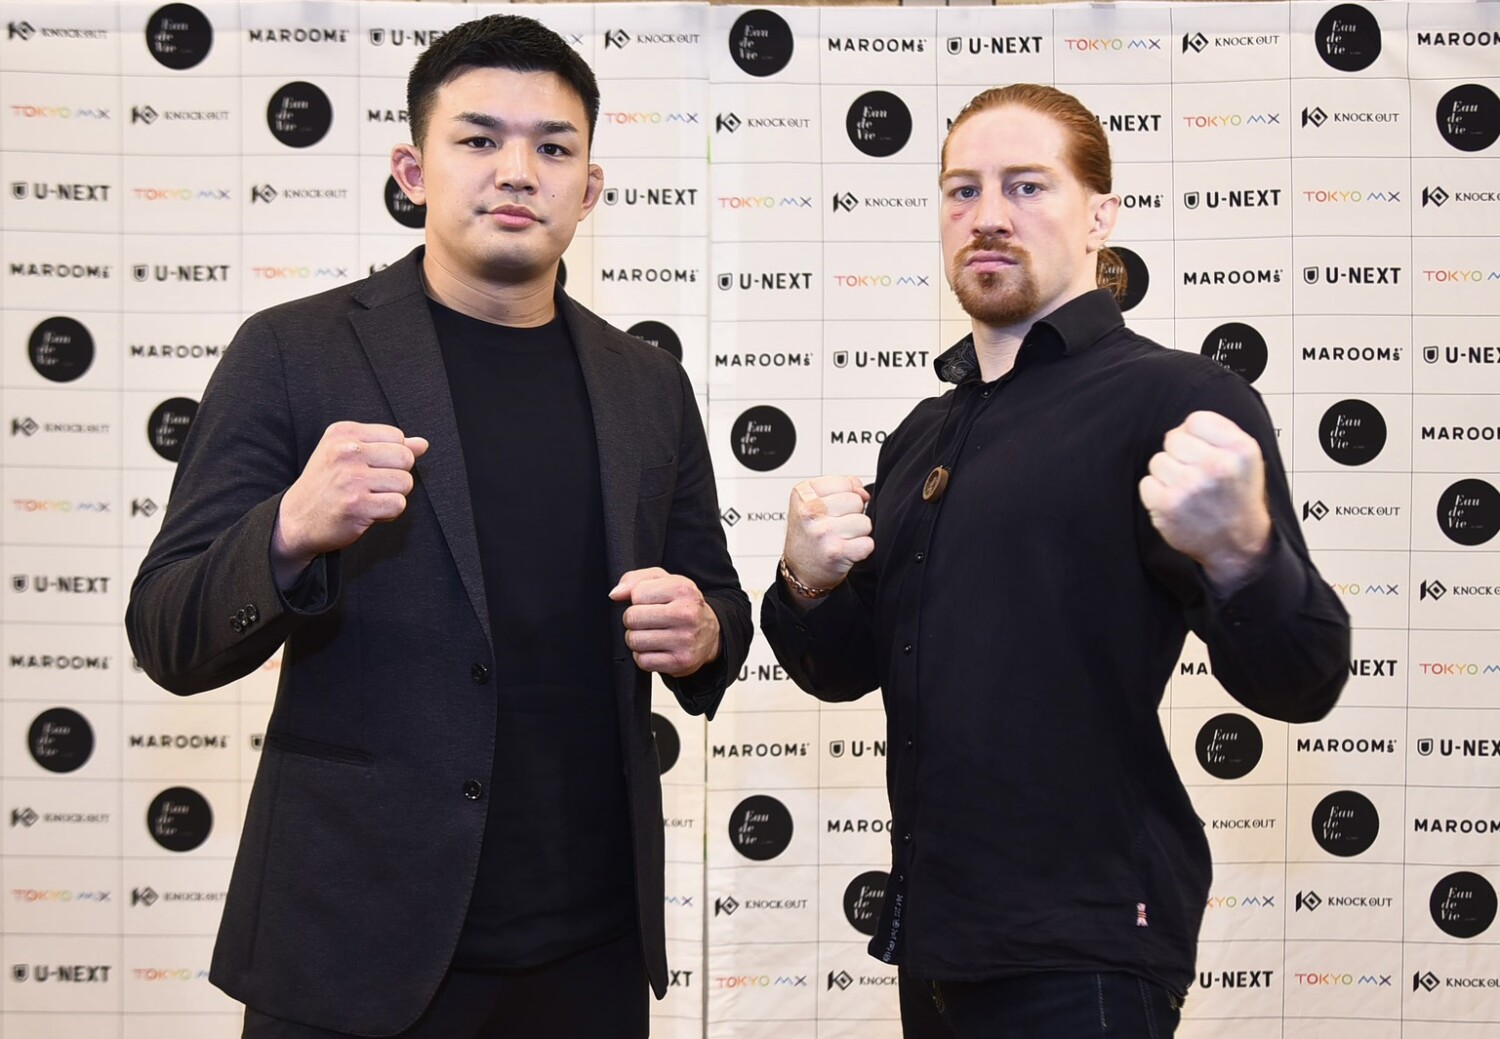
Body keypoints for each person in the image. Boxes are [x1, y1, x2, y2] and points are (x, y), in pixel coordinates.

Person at [126, 15, 749, 1039]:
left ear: (589, 188)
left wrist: (707, 630)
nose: (518, 171)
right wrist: (288, 532)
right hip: (352, 947)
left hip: (589, 950)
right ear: (413, 171)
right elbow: (168, 631)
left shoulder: (647, 384)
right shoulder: (292, 352)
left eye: (554, 148)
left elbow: (713, 597)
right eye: (479, 139)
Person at [761, 84, 1350, 1038]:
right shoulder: (923, 433)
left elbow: (1304, 679)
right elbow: (842, 668)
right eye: (963, 190)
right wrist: (805, 582)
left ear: (1100, 217)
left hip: (1085, 951)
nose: (988, 215)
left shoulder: (1178, 397)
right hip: (936, 941)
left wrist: (1246, 553)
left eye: (1027, 186)